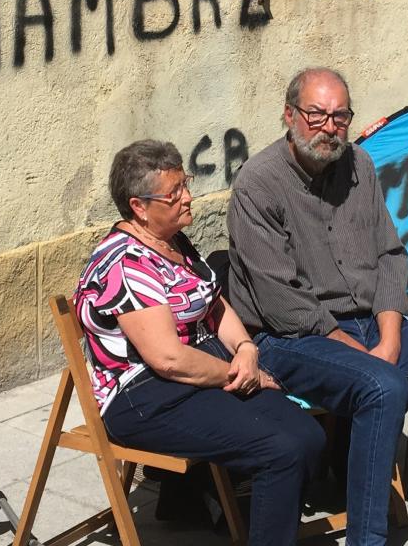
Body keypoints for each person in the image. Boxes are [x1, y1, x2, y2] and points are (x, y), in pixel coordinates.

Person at [228, 68, 408, 546]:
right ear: (289, 116)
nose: (329, 127)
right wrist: (361, 353)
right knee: (383, 386)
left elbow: (390, 255)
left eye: (340, 117)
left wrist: (388, 336)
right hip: (289, 337)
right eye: (316, 115)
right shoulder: (258, 184)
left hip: (368, 321)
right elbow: (281, 300)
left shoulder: (359, 166)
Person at [75, 140, 327, 546]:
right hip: (144, 396)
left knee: (309, 436)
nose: (188, 197)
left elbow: (214, 303)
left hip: (201, 371)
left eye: (185, 184)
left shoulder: (174, 241)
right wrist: (247, 376)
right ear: (139, 207)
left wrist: (246, 348)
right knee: (279, 451)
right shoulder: (126, 263)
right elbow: (168, 359)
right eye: (174, 193)